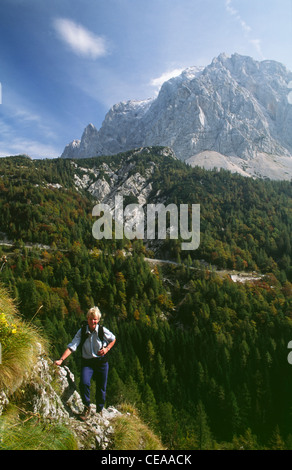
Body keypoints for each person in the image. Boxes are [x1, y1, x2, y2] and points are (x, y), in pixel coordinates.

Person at [55, 306, 116, 420]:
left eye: (95, 319)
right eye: (90, 319)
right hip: (87, 363)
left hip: (101, 362)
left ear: (98, 320)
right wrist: (61, 359)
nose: (92, 321)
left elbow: (113, 339)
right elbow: (72, 346)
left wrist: (107, 349)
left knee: (101, 388)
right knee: (84, 383)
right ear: (87, 319)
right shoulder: (82, 331)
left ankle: (99, 410)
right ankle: (87, 407)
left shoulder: (102, 330)